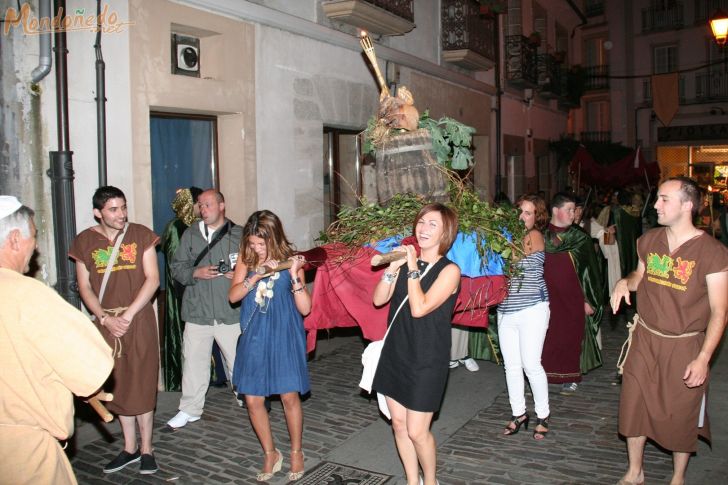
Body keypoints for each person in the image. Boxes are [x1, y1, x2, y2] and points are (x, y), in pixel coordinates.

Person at [611, 177, 728, 485]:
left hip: (684, 344)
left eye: (664, 199)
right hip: (645, 338)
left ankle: (678, 478)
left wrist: (703, 358)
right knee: (633, 405)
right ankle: (635, 472)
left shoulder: (713, 252)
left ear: (687, 205)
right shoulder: (649, 239)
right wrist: (626, 282)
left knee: (680, 412)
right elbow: (640, 275)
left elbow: (720, 311)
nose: (655, 205)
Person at [0, 196, 113, 485]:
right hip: (22, 454)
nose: (35, 246)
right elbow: (91, 363)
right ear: (15, 239)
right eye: (33, 237)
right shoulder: (28, 295)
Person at [70, 186, 161, 474]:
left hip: (139, 319)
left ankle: (147, 448)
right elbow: (84, 286)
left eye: (123, 207)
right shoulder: (85, 241)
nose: (121, 214)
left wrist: (129, 314)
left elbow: (153, 279)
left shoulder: (140, 234)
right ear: (98, 212)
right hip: (107, 323)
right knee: (119, 384)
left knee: (142, 382)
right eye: (113, 209)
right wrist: (105, 318)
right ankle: (129, 448)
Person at [371, 203, 461, 485]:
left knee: (417, 431)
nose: (423, 229)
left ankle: (430, 481)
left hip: (426, 358)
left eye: (432, 224)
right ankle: (413, 480)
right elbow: (378, 299)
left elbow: (419, 307)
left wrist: (410, 267)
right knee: (398, 425)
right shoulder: (406, 262)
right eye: (421, 222)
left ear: (446, 232)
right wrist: (393, 268)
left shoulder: (450, 271)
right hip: (396, 351)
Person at [229, 210, 311, 482]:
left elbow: (305, 307)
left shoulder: (290, 259)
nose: (256, 248)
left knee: (289, 396)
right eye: (252, 243)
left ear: (274, 238)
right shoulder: (247, 259)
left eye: (261, 244)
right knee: (253, 399)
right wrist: (253, 278)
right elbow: (233, 296)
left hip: (284, 332)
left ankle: (296, 452)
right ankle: (270, 452)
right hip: (255, 335)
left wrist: (296, 274)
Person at [167, 189, 243, 428]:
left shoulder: (238, 235)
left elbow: (255, 267)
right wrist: (195, 273)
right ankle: (190, 408)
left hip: (229, 310)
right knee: (193, 363)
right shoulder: (190, 235)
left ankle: (245, 396)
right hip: (198, 311)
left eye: (208, 204)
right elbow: (176, 267)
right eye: (200, 205)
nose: (203, 209)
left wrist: (240, 276)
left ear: (222, 206)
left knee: (238, 360)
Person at [497, 194, 550, 440]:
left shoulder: (534, 236)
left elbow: (513, 257)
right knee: (512, 367)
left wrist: (493, 240)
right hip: (506, 310)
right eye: (520, 211)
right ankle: (518, 413)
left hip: (532, 309)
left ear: (536, 218)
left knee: (531, 364)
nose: (522, 217)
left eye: (529, 213)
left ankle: (543, 414)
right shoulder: (503, 237)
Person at [542, 192, 603, 394]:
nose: (573, 213)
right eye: (569, 209)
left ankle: (570, 375)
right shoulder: (540, 236)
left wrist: (589, 300)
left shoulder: (579, 238)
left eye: (574, 209)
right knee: (547, 335)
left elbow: (591, 272)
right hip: (546, 297)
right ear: (555, 211)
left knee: (571, 336)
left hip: (573, 297)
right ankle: (544, 374)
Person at [161, 186, 202, 392]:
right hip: (182, 290)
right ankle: (184, 378)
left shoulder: (198, 225)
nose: (201, 208)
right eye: (198, 204)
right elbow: (177, 263)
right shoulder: (176, 227)